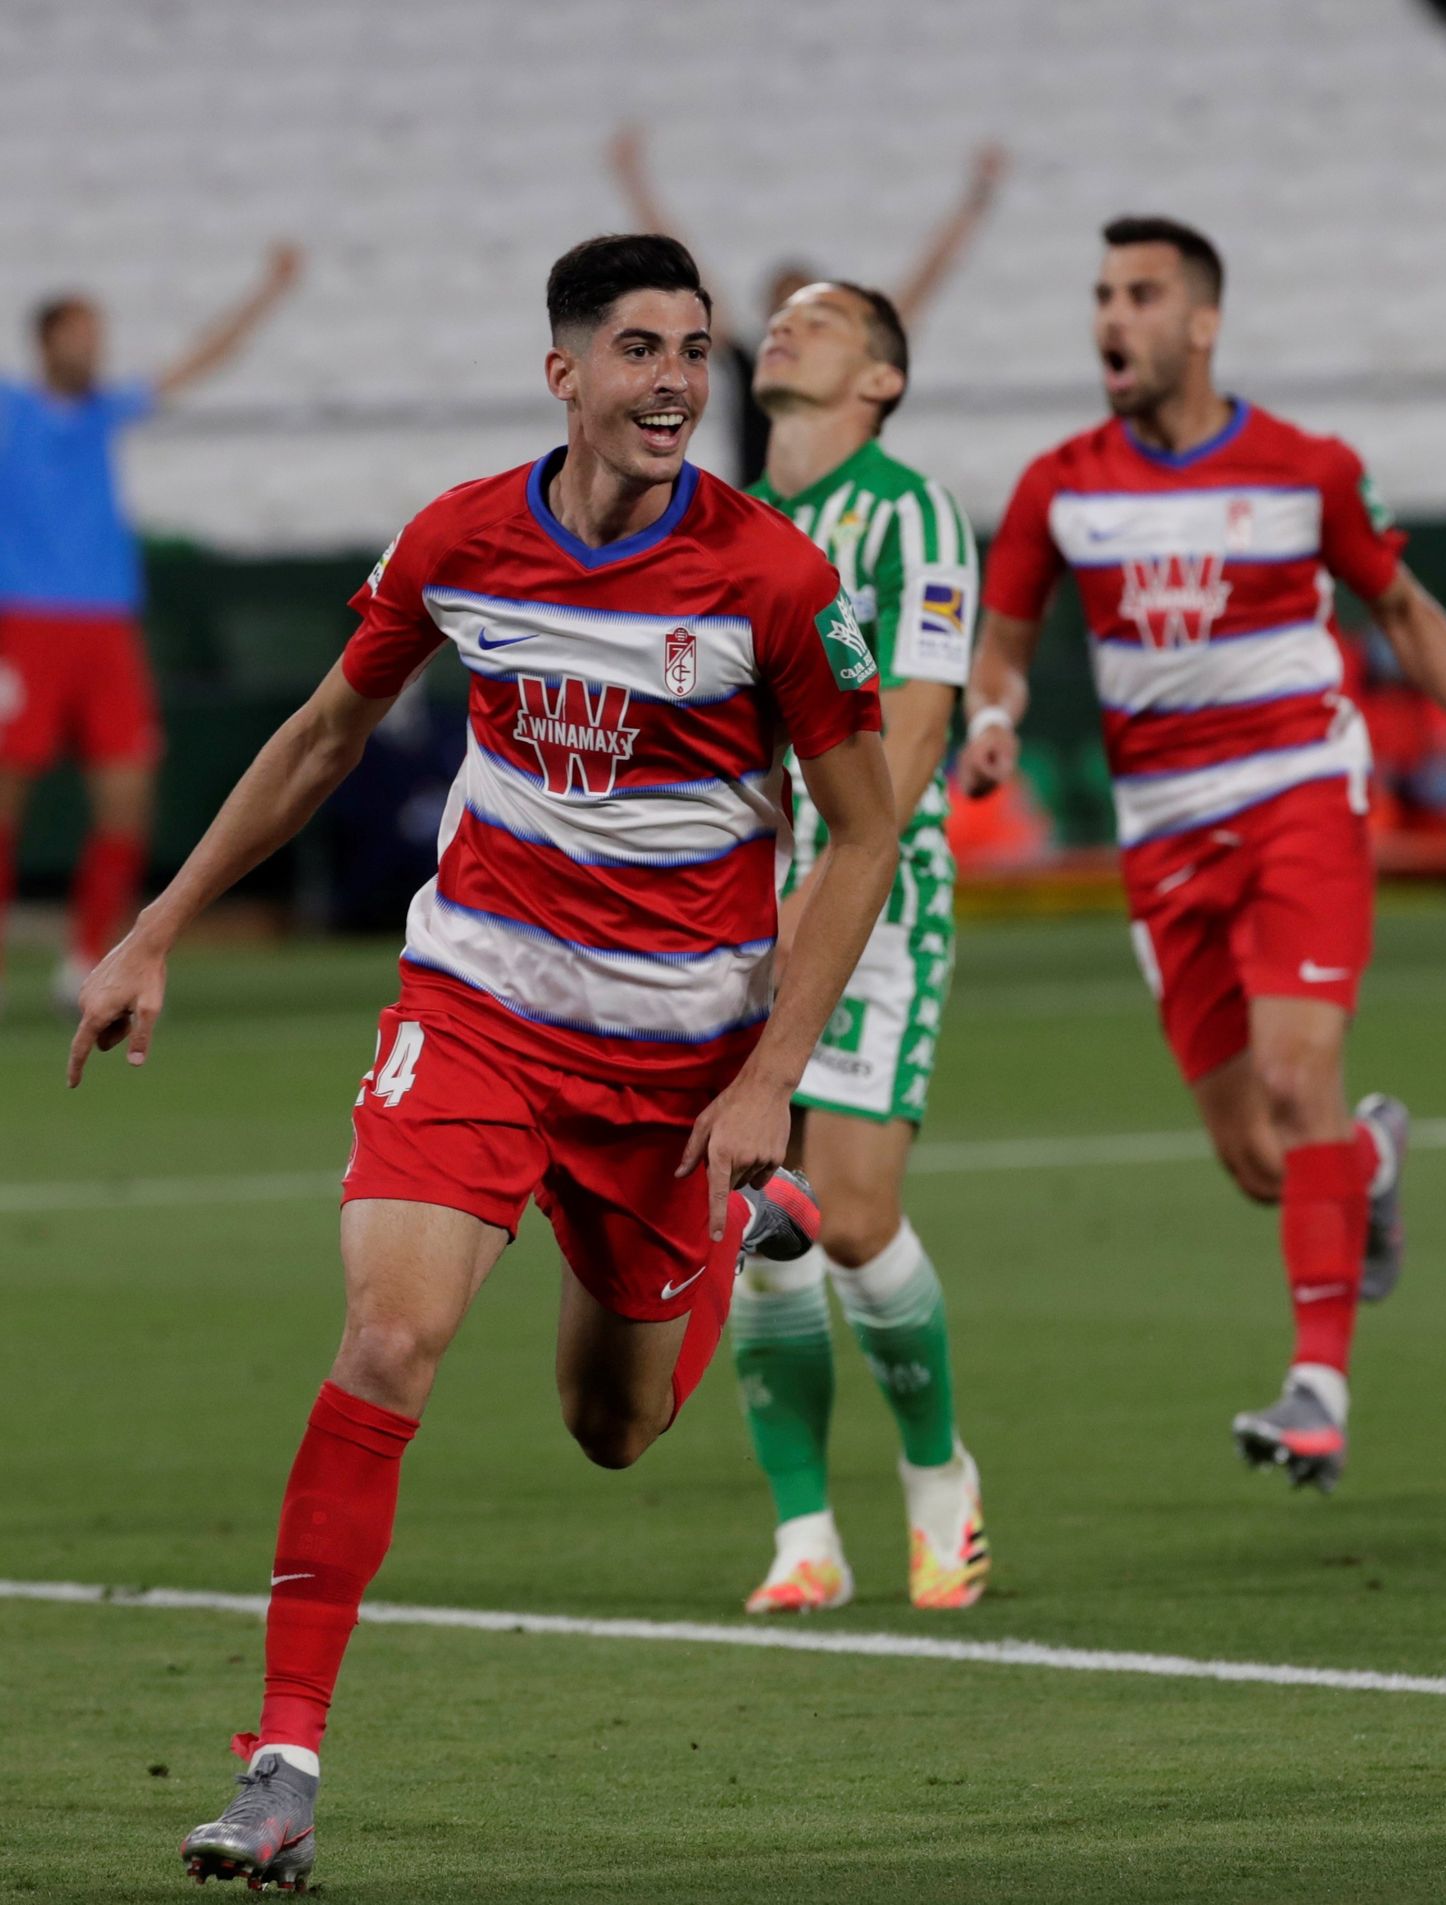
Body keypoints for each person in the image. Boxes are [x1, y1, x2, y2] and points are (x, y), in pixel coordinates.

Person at [68, 233, 899, 1892]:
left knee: (615, 1426)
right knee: (390, 1335)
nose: (677, 381)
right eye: (643, 349)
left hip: (680, 1068)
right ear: (566, 374)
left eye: (695, 350)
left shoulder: (772, 582)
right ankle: (284, 1764)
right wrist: (155, 927)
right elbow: (321, 738)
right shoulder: (462, 538)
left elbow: (866, 834)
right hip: (480, 1012)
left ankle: (738, 1227)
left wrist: (768, 1076)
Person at [960, 216, 1446, 1494]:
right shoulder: (1060, 485)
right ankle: (1372, 1158)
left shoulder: (1305, 467)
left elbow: (1400, 605)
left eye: (1143, 293)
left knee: (1293, 1079)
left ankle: (1317, 1393)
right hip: (1163, 835)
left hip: (1297, 797)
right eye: (1103, 292)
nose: (1114, 315)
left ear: (1202, 323)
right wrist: (993, 718)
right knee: (1262, 1160)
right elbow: (1001, 642)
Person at [736, 281, 987, 1614]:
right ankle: (803, 1537)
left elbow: (919, 724)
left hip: (880, 887)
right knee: (754, 1212)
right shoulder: (729, 524)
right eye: (779, 316)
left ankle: (941, 1484)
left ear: (881, 379)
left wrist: (827, 886)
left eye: (822, 320)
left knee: (854, 1211)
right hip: (734, 892)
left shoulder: (913, 511)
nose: (786, 326)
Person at [0, 244, 303, 1012]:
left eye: (98, 333)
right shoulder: (12, 413)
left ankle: (83, 958)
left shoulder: (107, 410)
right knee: (7, 801)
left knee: (128, 800)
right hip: (28, 628)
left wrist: (265, 290)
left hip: (108, 631)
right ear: (47, 341)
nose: (95, 346)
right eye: (81, 333)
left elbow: (199, 360)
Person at [605, 126, 1010, 484]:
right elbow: (681, 270)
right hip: (763, 517)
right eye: (784, 308)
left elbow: (924, 282)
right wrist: (634, 182)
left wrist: (976, 199)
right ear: (768, 317)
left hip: (837, 514)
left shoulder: (850, 361)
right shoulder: (749, 361)